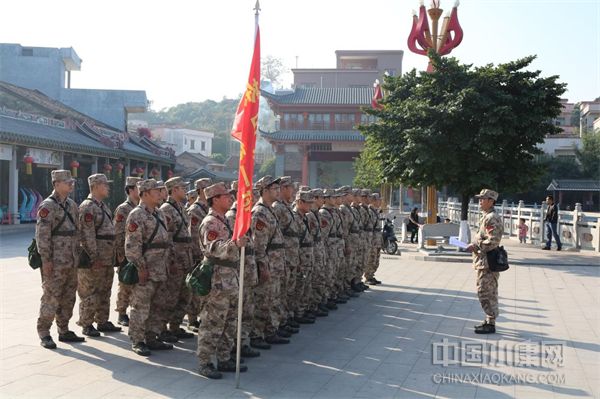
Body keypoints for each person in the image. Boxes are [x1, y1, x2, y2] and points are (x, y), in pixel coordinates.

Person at [196, 182, 247, 379]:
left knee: (230, 321)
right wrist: (235, 244)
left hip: (231, 278)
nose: (230, 198)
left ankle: (224, 357)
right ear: (215, 200)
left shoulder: (225, 220)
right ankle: (205, 361)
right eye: (226, 196)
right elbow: (214, 247)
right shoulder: (210, 222)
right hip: (218, 279)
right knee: (212, 322)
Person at [35, 169, 85, 349]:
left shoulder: (72, 205)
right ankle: (44, 332)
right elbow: (42, 236)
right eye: (67, 182)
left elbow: (77, 231)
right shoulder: (47, 206)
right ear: (56, 184)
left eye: (71, 182)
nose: (71, 185)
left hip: (71, 261)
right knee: (51, 297)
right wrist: (46, 260)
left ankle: (63, 330)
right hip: (55, 262)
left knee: (68, 297)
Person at [125, 179, 173, 356]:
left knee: (158, 305)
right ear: (144, 194)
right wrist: (140, 267)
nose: (160, 193)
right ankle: (138, 340)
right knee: (141, 305)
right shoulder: (136, 215)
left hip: (161, 267)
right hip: (146, 268)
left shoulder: (159, 213)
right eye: (156, 191)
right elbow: (132, 246)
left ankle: (152, 336)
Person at [77, 173, 121, 337]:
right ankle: (86, 323)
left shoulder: (102, 206)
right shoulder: (87, 207)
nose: (108, 188)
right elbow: (87, 235)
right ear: (95, 186)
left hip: (107, 256)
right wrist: (94, 257)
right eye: (105, 185)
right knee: (90, 291)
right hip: (95, 258)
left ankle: (102, 320)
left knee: (105, 290)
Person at [159, 177, 195, 342]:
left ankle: (175, 326)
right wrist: (172, 261)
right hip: (176, 259)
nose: (185, 191)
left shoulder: (181, 208)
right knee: (171, 296)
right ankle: (162, 328)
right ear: (173, 190)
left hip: (185, 257)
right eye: (182, 188)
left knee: (184, 295)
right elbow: (168, 239)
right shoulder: (166, 209)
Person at [466, 189, 503, 334]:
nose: (480, 201)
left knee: (485, 292)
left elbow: (493, 241)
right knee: (488, 292)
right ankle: (489, 320)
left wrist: (476, 246)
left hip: (488, 262)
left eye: (483, 199)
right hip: (483, 261)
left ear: (491, 201)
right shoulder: (486, 216)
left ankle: (491, 322)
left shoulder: (491, 217)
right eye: (480, 198)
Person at [113, 176, 142, 326]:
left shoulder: (142, 207)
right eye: (138, 187)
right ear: (131, 190)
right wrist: (120, 252)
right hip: (126, 251)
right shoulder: (123, 209)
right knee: (125, 283)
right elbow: (118, 232)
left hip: (139, 251)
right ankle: (122, 313)